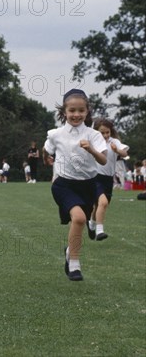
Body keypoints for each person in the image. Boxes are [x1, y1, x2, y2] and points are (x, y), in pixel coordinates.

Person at [43, 89, 107, 281]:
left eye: (81, 110)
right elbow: (46, 149)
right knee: (79, 219)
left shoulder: (94, 135)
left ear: (87, 111)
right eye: (72, 110)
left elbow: (103, 160)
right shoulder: (55, 134)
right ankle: (74, 264)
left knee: (79, 223)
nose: (76, 114)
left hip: (87, 185)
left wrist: (92, 150)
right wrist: (47, 158)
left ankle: (70, 250)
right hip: (63, 184)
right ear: (64, 112)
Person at [88, 118, 129, 241]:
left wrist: (117, 150)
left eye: (107, 132)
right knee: (103, 203)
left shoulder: (114, 142)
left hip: (108, 179)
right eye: (102, 132)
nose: (105, 135)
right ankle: (100, 231)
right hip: (95, 178)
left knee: (100, 205)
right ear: (96, 132)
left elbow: (125, 154)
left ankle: (91, 223)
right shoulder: (93, 142)